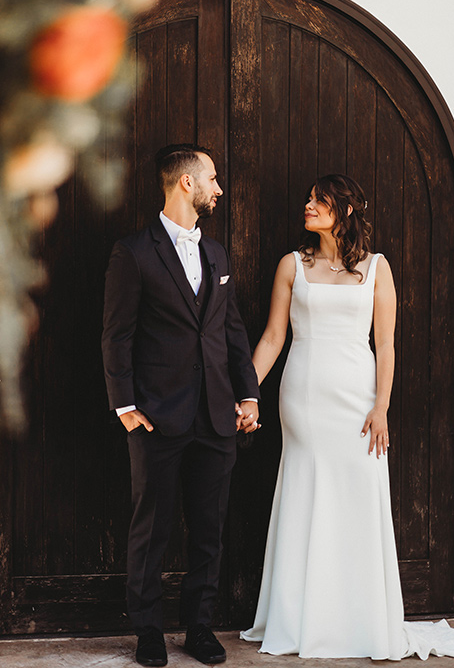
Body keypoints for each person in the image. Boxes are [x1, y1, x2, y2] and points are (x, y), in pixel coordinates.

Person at [240, 174, 454, 660]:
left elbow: (386, 344)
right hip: (304, 396)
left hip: (358, 397)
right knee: (306, 491)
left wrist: (381, 406)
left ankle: (358, 618)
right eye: (307, 198)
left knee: (357, 497)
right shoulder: (293, 265)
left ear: (344, 210)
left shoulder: (377, 268)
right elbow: (271, 339)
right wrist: (245, 395)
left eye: (318, 200)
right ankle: (300, 618)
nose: (307, 206)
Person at [102, 144, 260, 667]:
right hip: (157, 416)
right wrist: (125, 405)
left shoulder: (216, 254)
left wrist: (248, 392)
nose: (219, 187)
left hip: (217, 415)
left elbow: (231, 330)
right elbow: (117, 335)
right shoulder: (135, 251)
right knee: (152, 528)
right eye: (212, 177)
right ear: (186, 184)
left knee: (209, 529)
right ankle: (148, 631)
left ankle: (199, 627)